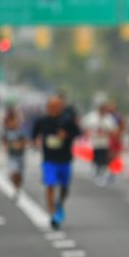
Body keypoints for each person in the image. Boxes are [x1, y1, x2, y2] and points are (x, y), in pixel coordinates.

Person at [33, 95, 79, 229]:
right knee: (50, 185)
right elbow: (34, 134)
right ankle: (53, 213)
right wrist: (35, 141)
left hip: (65, 159)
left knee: (65, 187)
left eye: (56, 106)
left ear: (61, 107)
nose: (53, 109)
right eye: (51, 106)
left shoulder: (67, 120)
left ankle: (60, 203)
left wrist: (67, 136)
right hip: (49, 160)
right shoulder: (42, 121)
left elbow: (78, 133)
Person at [81, 102, 121, 186]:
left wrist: (110, 135)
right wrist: (87, 134)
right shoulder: (92, 117)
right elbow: (84, 126)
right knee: (96, 157)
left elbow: (114, 130)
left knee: (104, 158)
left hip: (105, 142)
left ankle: (102, 173)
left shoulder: (109, 119)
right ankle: (96, 171)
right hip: (95, 141)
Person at [2, 106, 29, 198]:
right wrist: (7, 146)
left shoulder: (21, 131)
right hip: (12, 156)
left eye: (14, 121)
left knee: (19, 174)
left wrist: (19, 145)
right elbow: (4, 141)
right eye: (10, 122)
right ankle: (15, 188)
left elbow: (25, 142)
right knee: (13, 172)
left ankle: (18, 185)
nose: (12, 123)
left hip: (20, 156)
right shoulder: (6, 131)